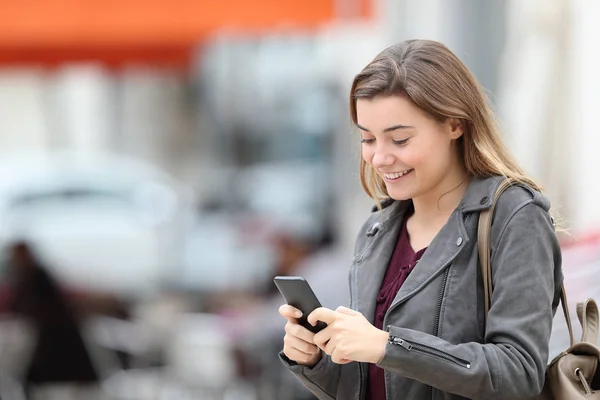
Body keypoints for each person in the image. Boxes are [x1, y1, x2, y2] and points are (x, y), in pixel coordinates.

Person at [277, 39, 563, 400]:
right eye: (367, 139)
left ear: (455, 124)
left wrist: (387, 346)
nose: (379, 158)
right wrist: (316, 359)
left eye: (399, 139)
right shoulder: (376, 230)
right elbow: (371, 384)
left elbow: (518, 373)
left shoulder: (514, 216)